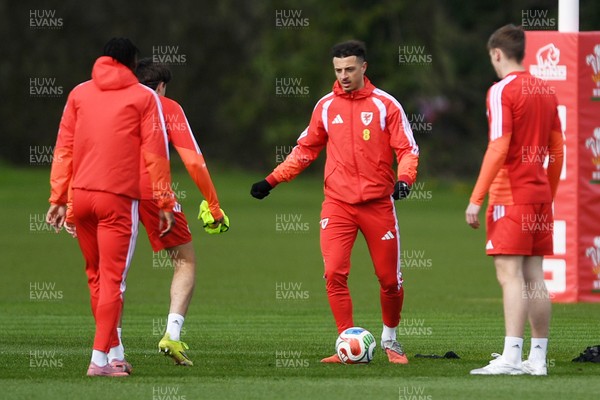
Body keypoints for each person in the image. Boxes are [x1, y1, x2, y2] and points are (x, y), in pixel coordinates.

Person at [251, 40, 419, 364]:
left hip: (378, 204)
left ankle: (391, 340)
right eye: (339, 70)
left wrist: (405, 180)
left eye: (350, 69)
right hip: (338, 204)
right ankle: (347, 343)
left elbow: (407, 149)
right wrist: (272, 180)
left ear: (364, 67)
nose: (344, 75)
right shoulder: (326, 106)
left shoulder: (386, 105)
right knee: (334, 273)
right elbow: (305, 150)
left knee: (389, 280)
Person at [46, 38, 176, 377]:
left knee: (96, 278)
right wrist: (164, 199)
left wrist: (59, 198)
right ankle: (98, 360)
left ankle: (114, 355)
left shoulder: (78, 93)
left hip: (82, 197)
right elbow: (155, 154)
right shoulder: (144, 97)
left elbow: (63, 148)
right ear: (133, 65)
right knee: (113, 282)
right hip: (117, 199)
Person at [465, 24, 563, 376]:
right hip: (537, 194)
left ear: (496, 53)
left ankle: (510, 356)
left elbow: (498, 146)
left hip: (511, 195)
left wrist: (477, 197)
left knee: (510, 275)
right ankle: (537, 360)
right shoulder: (546, 90)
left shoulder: (500, 90)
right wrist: (547, 194)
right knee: (535, 274)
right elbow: (557, 150)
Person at [133, 58, 227, 366]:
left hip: (108, 192)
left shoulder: (115, 103)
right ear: (161, 86)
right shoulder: (167, 107)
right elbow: (194, 161)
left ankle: (109, 348)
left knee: (111, 273)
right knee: (184, 261)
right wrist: (213, 204)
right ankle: (171, 335)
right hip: (154, 194)